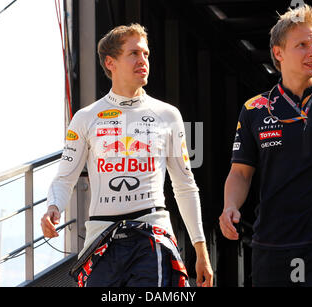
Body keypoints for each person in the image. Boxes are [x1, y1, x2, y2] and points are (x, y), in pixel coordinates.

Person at [41, 23, 213, 287]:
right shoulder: (86, 118)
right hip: (101, 240)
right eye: (133, 53)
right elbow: (64, 178)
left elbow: (185, 186)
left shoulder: (168, 115)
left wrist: (201, 252)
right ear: (110, 62)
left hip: (152, 236)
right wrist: (53, 208)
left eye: (146, 54)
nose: (142, 60)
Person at [219, 4, 312, 286]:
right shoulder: (254, 108)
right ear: (278, 53)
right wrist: (230, 205)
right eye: (302, 45)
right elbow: (240, 173)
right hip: (272, 244)